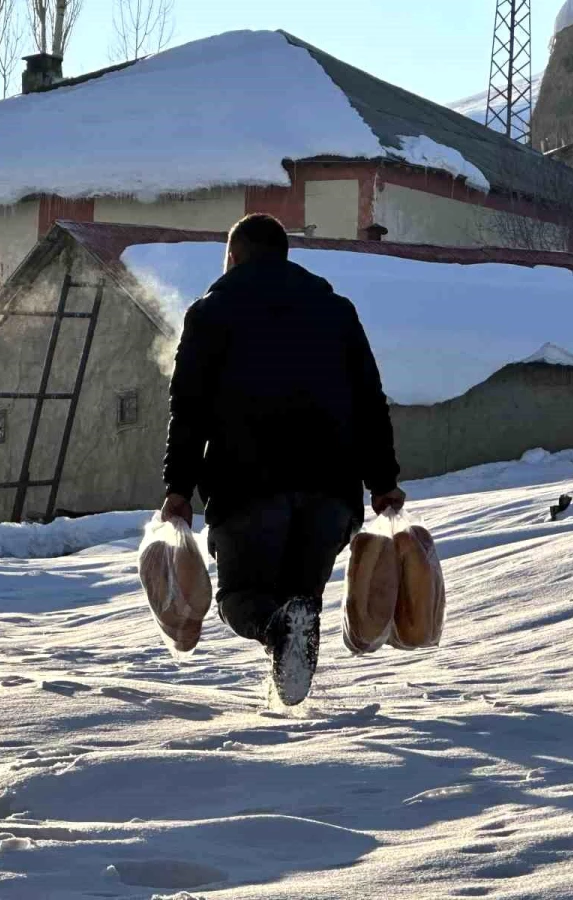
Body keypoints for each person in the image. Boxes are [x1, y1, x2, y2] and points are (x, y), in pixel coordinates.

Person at [160, 213, 404, 705]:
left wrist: (179, 489)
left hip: (248, 487)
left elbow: (189, 410)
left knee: (241, 599)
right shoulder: (337, 310)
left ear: (233, 256)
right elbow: (369, 401)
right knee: (301, 606)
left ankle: (281, 685)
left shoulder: (211, 312)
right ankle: (286, 715)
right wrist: (383, 481)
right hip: (331, 491)